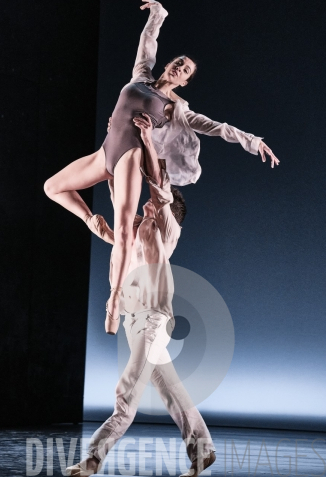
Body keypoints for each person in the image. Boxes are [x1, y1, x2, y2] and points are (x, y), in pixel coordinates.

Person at [44, 0, 280, 333]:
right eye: (178, 62)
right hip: (105, 153)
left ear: (184, 82)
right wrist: (158, 15)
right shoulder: (140, 76)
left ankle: (113, 303)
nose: (179, 67)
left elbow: (218, 127)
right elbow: (147, 44)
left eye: (185, 71)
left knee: (125, 230)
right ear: (169, 64)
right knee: (53, 187)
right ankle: (94, 224)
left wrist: (254, 141)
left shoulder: (173, 109)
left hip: (129, 158)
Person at [66, 113, 216, 477]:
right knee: (171, 391)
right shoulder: (133, 229)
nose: (147, 201)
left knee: (127, 389)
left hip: (152, 318)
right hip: (134, 321)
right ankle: (203, 449)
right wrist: (116, 141)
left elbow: (159, 187)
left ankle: (93, 458)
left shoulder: (166, 229)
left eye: (153, 201)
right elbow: (121, 192)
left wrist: (147, 140)